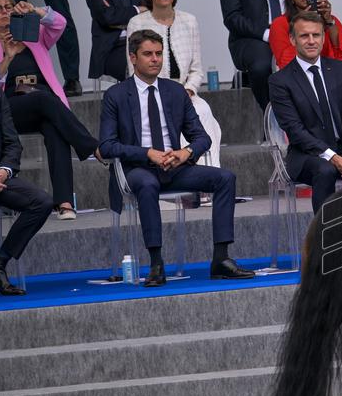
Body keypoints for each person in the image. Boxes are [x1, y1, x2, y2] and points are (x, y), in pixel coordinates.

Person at [99, 29, 255, 287]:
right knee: (148, 185)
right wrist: (147, 153)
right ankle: (156, 263)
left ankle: (221, 259)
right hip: (138, 169)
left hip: (174, 166)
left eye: (159, 54)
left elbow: (202, 137)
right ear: (132, 58)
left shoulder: (174, 91)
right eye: (148, 54)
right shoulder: (116, 95)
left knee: (225, 177)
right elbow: (106, 146)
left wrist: (185, 153)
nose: (155, 59)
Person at [0, 0, 100, 220]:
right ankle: (91, 146)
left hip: (44, 106)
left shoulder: (32, 35)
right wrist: (8, 57)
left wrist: (35, 11)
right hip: (9, 109)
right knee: (43, 99)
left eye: (9, 7)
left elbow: (60, 23)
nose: (5, 12)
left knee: (55, 129)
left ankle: (64, 203)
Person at [268, 11, 342, 213]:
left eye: (316, 35)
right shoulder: (280, 81)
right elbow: (295, 131)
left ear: (324, 37)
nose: (311, 41)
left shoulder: (340, 69)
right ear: (292, 39)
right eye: (304, 36)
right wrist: (333, 158)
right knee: (325, 170)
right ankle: (324, 239)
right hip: (306, 156)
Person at [127, 0, 222, 168]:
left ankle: (208, 183)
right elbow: (133, 69)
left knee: (203, 111)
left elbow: (196, 69)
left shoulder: (190, 21)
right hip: (151, 95)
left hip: (185, 93)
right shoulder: (136, 23)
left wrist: (188, 90)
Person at [0, 85, 54, 295]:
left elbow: (12, 143)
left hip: (0, 178)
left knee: (42, 202)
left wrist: (4, 171)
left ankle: (0, 262)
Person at [269, 0, 342, 70]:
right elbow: (286, 63)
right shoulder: (280, 24)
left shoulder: (331, 20)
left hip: (331, 75)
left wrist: (329, 22)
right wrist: (301, 22)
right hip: (297, 78)